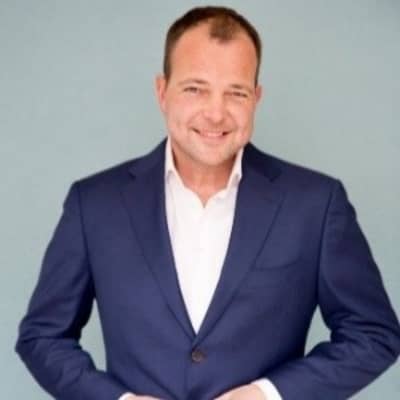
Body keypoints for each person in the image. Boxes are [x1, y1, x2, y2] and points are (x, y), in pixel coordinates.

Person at [16, 6, 400, 400]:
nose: (216, 113)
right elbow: (42, 337)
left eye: (236, 92)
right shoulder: (94, 204)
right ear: (162, 92)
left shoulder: (316, 205)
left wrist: (268, 395)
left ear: (256, 98)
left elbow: (373, 334)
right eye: (195, 89)